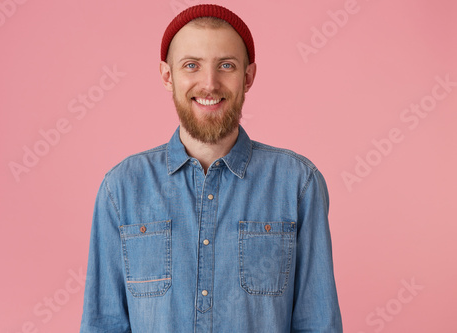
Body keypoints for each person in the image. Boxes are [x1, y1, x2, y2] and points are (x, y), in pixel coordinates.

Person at [80, 4, 342, 332]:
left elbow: (318, 324)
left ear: (247, 77)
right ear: (167, 76)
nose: (209, 84)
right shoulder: (120, 189)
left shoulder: (298, 184)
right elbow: (102, 325)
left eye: (226, 65)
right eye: (192, 65)